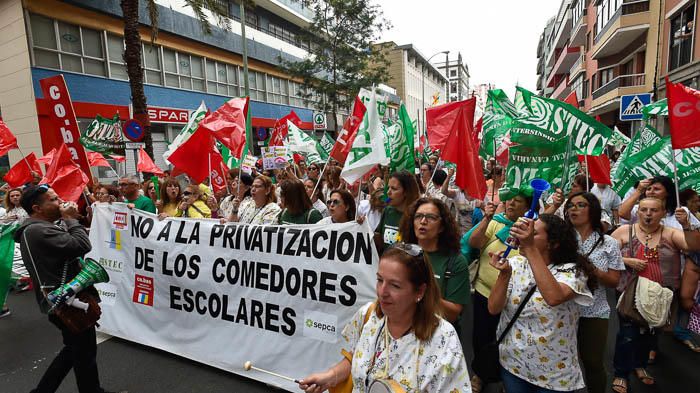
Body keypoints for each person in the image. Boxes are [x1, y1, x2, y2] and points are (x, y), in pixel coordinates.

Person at [298, 243, 472, 393]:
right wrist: (330, 377)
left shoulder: (443, 339)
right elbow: (354, 358)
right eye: (380, 280)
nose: (382, 292)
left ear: (419, 291)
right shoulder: (368, 315)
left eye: (395, 285)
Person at [16, 184, 126, 393]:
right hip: (67, 301)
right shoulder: (39, 230)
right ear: (37, 208)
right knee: (82, 352)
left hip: (64, 299)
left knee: (77, 350)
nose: (60, 202)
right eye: (53, 199)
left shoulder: (40, 227)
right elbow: (82, 245)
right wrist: (70, 219)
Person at [488, 214, 595, 392]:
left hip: (554, 374)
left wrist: (529, 248)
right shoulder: (516, 264)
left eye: (533, 234)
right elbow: (493, 308)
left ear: (553, 243)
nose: (524, 237)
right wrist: (504, 275)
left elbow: (554, 297)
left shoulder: (573, 271)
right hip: (513, 364)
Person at [610, 197, 700, 392]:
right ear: (638, 212)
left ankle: (639, 366)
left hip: (662, 296)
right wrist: (627, 260)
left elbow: (693, 246)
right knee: (628, 335)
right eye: (644, 210)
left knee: (651, 335)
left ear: (662, 213)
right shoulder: (624, 231)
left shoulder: (671, 233)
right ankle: (621, 373)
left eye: (653, 210)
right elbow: (603, 255)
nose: (648, 214)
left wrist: (686, 224)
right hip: (629, 293)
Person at [463, 192, 531, 393]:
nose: (511, 203)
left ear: (527, 206)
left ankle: (506, 377)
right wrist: (486, 218)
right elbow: (474, 243)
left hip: (514, 298)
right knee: (481, 337)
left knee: (508, 339)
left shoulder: (530, 228)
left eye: (517, 201)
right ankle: (480, 374)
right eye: (509, 200)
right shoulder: (496, 223)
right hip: (485, 292)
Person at [565, 192, 625, 393]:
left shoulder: (609, 243)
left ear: (593, 210)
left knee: (592, 362)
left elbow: (614, 281)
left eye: (580, 205)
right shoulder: (560, 240)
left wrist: (592, 270)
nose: (574, 209)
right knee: (561, 361)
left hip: (594, 311)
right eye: (571, 205)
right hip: (562, 309)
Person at [400, 197, 470, 327]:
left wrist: (423, 292)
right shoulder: (401, 254)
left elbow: (453, 314)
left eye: (431, 217)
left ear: (442, 227)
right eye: (418, 216)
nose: (423, 221)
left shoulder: (456, 262)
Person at [375, 171, 420, 252]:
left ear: (406, 192)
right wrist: (363, 227)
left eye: (394, 189)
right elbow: (380, 240)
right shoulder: (387, 211)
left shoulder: (418, 216)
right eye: (388, 187)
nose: (388, 192)